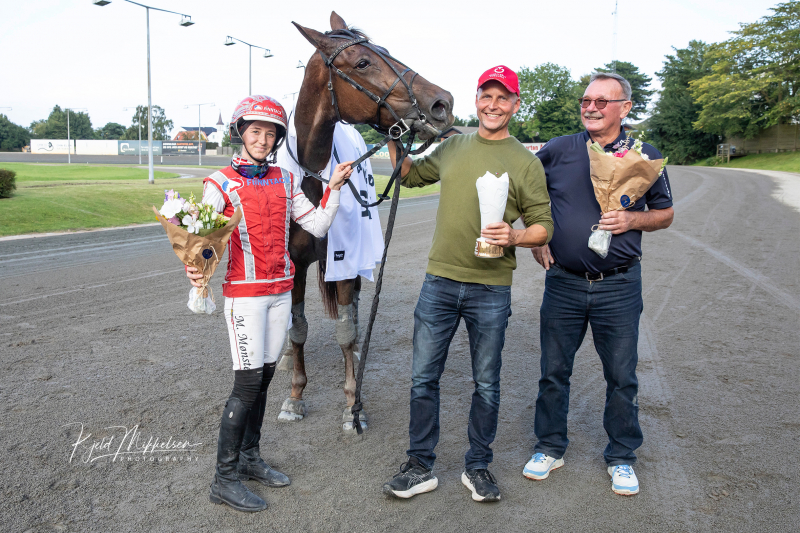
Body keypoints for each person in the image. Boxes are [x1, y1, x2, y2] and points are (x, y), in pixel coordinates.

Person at [381, 66, 553, 503]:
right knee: (423, 378)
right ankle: (419, 465)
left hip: (491, 288)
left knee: (487, 383)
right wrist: (390, 130)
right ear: (477, 100)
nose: (493, 105)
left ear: (515, 104)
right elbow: (408, 173)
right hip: (439, 281)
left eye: (503, 98)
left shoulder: (526, 162)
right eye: (486, 96)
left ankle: (477, 466)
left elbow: (543, 226)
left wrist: (514, 236)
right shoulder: (453, 146)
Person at [185, 95, 354, 513]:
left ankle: (249, 457)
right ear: (241, 133)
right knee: (246, 386)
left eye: (270, 133)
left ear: (278, 138)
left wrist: (333, 189)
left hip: (280, 295)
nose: (262, 139)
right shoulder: (218, 183)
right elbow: (202, 244)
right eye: (255, 131)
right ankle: (224, 479)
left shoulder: (285, 179)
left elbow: (317, 224)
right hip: (245, 298)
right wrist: (196, 268)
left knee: (262, 381)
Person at [523, 73, 674, 496]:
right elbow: (525, 192)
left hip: (619, 285)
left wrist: (632, 218)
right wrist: (536, 236)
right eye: (586, 100)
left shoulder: (644, 155)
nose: (590, 107)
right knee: (553, 371)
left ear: (625, 108)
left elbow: (665, 214)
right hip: (564, 283)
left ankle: (621, 456)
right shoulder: (559, 149)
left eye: (602, 101)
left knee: (622, 375)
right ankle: (549, 447)